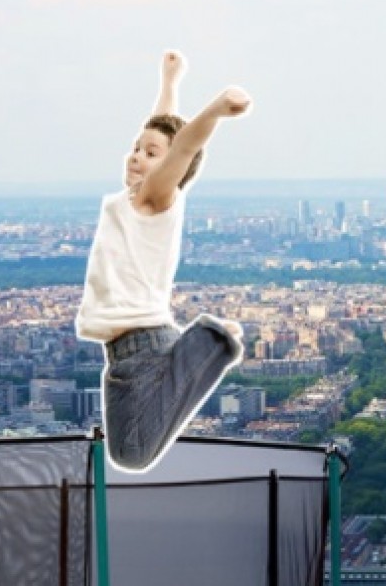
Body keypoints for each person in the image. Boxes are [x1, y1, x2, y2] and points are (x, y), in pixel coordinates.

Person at [76, 50, 251, 472]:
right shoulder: (133, 202)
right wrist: (170, 82)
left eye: (149, 154)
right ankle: (206, 343)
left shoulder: (155, 199)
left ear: (172, 169)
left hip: (145, 348)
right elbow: (165, 133)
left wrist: (217, 108)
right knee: (126, 454)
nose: (136, 155)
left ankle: (210, 341)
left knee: (133, 455)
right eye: (135, 148)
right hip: (123, 353)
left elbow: (182, 145)